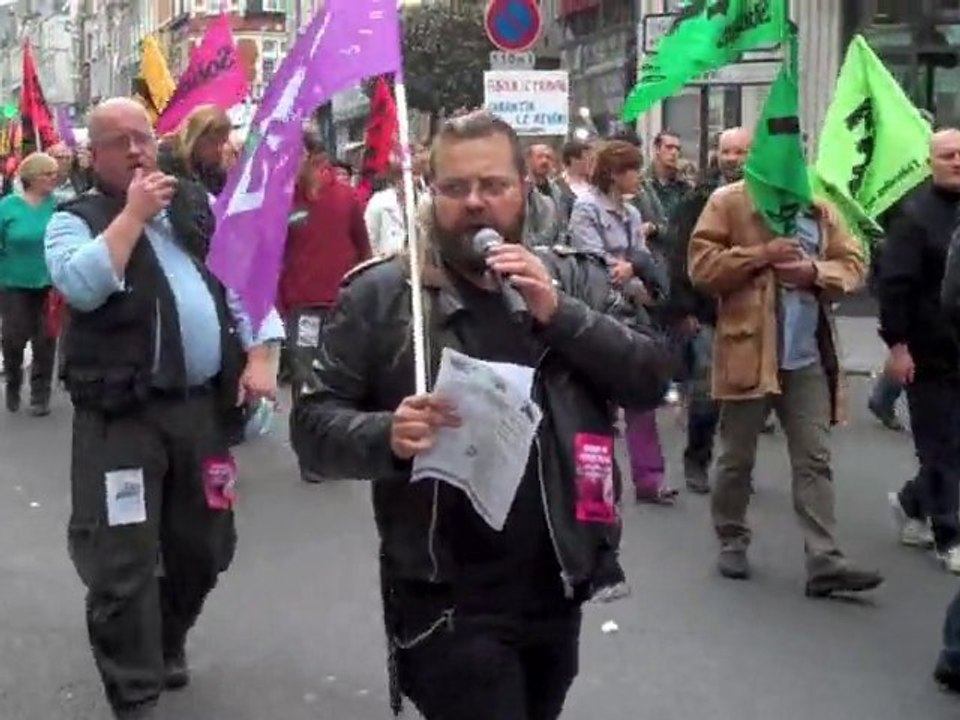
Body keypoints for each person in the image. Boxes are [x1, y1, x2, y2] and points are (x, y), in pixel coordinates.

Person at [290, 111, 671, 719]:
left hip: (557, 578)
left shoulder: (575, 276)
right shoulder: (383, 296)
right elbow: (312, 429)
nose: (475, 203)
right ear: (430, 192)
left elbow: (651, 377)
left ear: (525, 186)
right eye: (455, 188)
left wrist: (561, 313)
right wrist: (386, 434)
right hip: (446, 598)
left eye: (493, 186)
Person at [44, 97, 283, 720]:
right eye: (119, 141)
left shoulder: (193, 210)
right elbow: (81, 285)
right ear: (93, 155)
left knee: (205, 543)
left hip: (198, 411)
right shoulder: (75, 219)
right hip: (121, 415)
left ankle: (168, 633)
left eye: (143, 137)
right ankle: (135, 688)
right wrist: (130, 216)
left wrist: (261, 355)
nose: (136, 151)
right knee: (122, 557)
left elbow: (242, 282)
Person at [689, 174, 883, 598]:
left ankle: (824, 560)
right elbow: (701, 268)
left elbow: (854, 264)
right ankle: (732, 538)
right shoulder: (729, 202)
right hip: (748, 354)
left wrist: (814, 271)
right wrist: (761, 255)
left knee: (815, 458)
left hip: (806, 359)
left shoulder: (818, 208)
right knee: (736, 458)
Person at [569, 140, 675, 505]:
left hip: (632, 316)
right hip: (599, 315)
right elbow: (596, 268)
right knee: (597, 408)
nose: (638, 178)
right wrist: (634, 276)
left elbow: (642, 261)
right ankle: (594, 493)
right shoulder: (585, 209)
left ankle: (650, 480)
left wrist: (634, 269)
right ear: (614, 173)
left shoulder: (631, 214)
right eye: (632, 170)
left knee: (642, 399)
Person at [879, 128, 960, 570]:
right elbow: (895, 287)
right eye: (948, 155)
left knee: (954, 447)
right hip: (928, 353)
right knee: (941, 446)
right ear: (931, 162)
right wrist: (898, 346)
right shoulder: (914, 216)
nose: (957, 161)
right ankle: (949, 536)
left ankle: (913, 503)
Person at [278, 131, 371, 484]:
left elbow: (364, 250)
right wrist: (279, 304)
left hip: (342, 305)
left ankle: (339, 449)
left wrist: (362, 292)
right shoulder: (285, 200)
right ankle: (310, 455)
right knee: (306, 383)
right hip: (302, 309)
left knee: (341, 382)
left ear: (316, 157)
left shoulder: (346, 198)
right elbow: (274, 258)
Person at [667, 127, 752, 494]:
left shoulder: (766, 199)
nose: (732, 158)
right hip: (706, 311)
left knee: (746, 397)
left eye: (740, 152)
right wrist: (684, 308)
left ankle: (736, 469)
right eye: (726, 151)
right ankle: (696, 459)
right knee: (705, 392)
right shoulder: (697, 200)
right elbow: (680, 256)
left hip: (750, 311)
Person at [0, 152, 59, 415]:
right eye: (47, 174)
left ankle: (40, 394)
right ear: (32, 178)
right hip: (13, 281)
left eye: (54, 173)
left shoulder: (57, 206)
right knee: (14, 338)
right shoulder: (8, 207)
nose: (53, 178)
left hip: (48, 282)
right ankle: (13, 381)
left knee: (45, 339)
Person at [157, 104, 232, 196]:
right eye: (213, 141)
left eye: (223, 142)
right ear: (196, 136)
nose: (219, 149)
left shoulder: (215, 172)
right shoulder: (166, 161)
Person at [646, 131, 691, 222]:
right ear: (657, 149)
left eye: (677, 149)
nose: (674, 152)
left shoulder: (685, 187)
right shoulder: (642, 184)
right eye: (669, 147)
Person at [364, 165, 406, 256]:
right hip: (387, 263)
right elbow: (370, 239)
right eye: (401, 177)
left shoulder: (424, 200)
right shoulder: (378, 201)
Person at [525, 143, 562, 246]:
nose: (545, 161)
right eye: (540, 157)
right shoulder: (523, 190)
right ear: (529, 160)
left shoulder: (557, 190)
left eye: (548, 157)